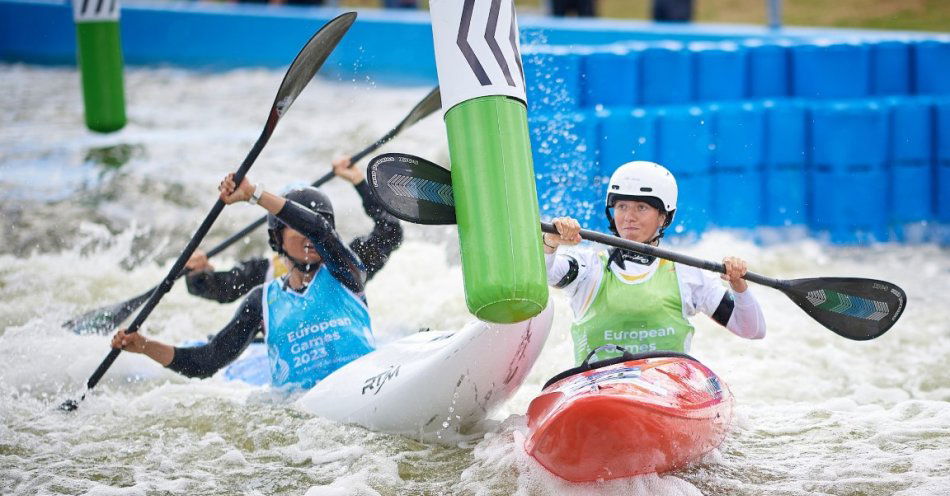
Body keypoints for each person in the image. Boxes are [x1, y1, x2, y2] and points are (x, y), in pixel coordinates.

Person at [111, 173, 377, 390]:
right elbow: (208, 361)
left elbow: (318, 228)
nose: (310, 236)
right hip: (303, 413)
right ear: (277, 239)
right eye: (297, 228)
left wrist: (254, 194)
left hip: (361, 388)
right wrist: (144, 346)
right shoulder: (261, 301)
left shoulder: (346, 273)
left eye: (317, 228)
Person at [542, 161, 765, 364]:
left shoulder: (685, 273)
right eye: (622, 207)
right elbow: (544, 275)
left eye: (641, 207)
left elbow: (752, 330)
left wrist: (739, 286)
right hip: (599, 388)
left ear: (663, 217)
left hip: (666, 390)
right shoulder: (588, 266)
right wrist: (550, 242)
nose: (629, 216)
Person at [183, 155, 403, 304]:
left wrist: (358, 181)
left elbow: (390, 230)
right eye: (297, 223)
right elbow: (218, 289)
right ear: (278, 236)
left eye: (313, 221)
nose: (308, 232)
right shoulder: (264, 273)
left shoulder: (350, 264)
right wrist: (197, 274)